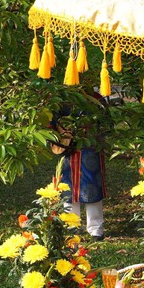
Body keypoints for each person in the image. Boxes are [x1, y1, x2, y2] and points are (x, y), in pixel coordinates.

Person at [50, 98, 108, 241]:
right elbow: (51, 123)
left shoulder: (95, 99)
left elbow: (107, 124)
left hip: (91, 148)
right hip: (67, 149)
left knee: (92, 188)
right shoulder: (62, 99)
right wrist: (61, 136)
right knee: (67, 189)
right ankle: (71, 227)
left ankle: (96, 228)